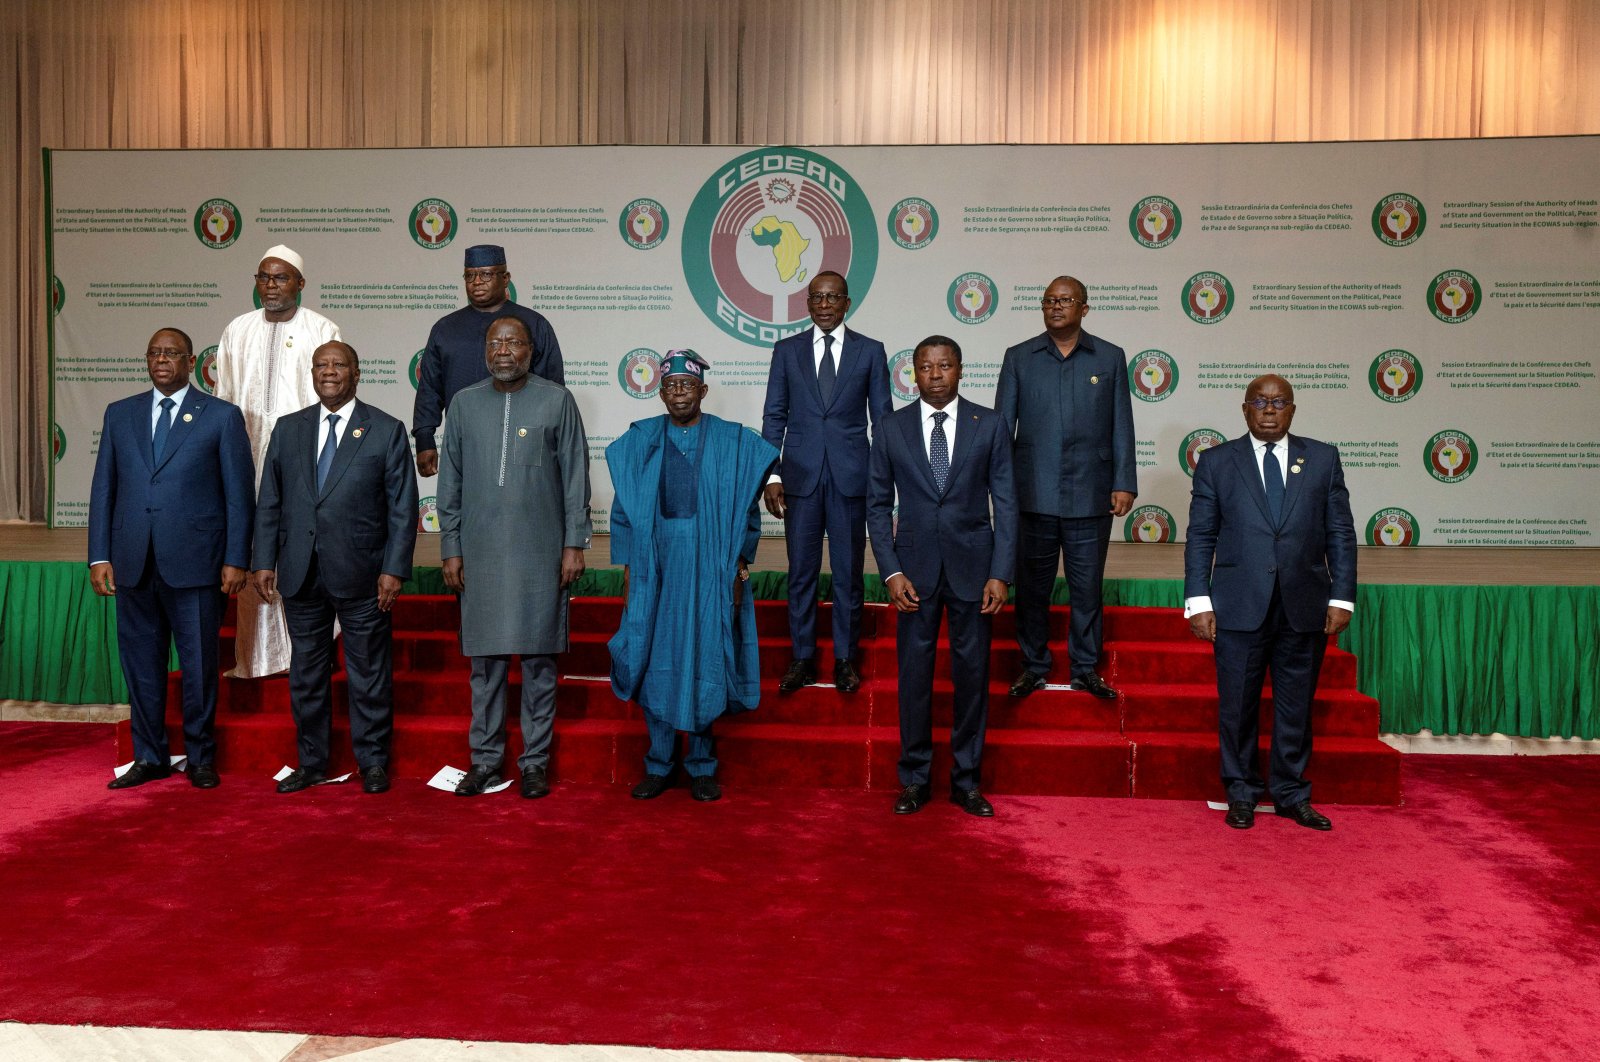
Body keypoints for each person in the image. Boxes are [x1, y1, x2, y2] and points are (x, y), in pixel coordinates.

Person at [1183, 374, 1356, 831]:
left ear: (1292, 410)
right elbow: (1201, 535)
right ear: (1244, 409)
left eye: (1279, 402)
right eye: (1259, 401)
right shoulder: (1217, 462)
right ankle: (1241, 793)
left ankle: (1290, 794)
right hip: (1239, 604)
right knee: (1237, 705)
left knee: (1295, 705)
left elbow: (1340, 532)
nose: (1269, 409)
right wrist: (1198, 600)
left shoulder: (1322, 458)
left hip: (1305, 603)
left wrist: (1342, 596)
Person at [607, 350, 778, 802]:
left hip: (710, 567)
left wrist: (741, 561)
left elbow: (747, 508)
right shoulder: (640, 441)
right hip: (654, 568)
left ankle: (702, 766)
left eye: (687, 386)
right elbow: (624, 512)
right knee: (653, 661)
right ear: (660, 392)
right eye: (670, 387)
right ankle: (659, 764)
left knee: (705, 659)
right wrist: (628, 570)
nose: (678, 393)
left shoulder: (730, 442)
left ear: (703, 391)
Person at [89, 328, 255, 790]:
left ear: (190, 361)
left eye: (172, 354)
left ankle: (201, 756)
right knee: (140, 664)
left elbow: (239, 495)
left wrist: (236, 557)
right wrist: (99, 555)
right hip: (132, 562)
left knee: (200, 665)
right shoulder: (120, 414)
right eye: (154, 353)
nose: (162, 360)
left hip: (197, 563)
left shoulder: (220, 417)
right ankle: (150, 756)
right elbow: (104, 489)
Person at [250, 341, 418, 795]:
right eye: (320, 365)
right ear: (311, 373)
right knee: (306, 674)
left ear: (357, 373)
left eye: (338, 364)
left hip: (365, 575)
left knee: (368, 674)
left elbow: (403, 508)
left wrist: (394, 569)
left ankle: (374, 762)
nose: (329, 372)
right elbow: (270, 501)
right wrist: (264, 560)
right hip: (300, 572)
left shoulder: (385, 429)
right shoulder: (288, 430)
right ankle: (311, 763)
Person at [438, 315, 591, 798]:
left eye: (514, 342)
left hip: (541, 552)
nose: (503, 350)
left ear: (530, 350)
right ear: (486, 350)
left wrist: (573, 545)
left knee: (540, 664)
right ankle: (485, 762)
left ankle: (534, 763)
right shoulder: (463, 405)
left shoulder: (556, 400)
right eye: (495, 342)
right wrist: (450, 547)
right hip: (480, 554)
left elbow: (574, 480)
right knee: (486, 667)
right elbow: (450, 485)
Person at [866, 337, 1016, 818]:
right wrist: (890, 570)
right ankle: (914, 778)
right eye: (926, 367)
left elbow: (1007, 504)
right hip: (912, 574)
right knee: (914, 680)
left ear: (960, 369)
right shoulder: (890, 428)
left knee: (972, 679)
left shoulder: (989, 425)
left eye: (945, 365)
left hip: (976, 572)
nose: (935, 374)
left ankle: (966, 782)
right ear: (913, 373)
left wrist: (1001, 573)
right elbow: (875, 507)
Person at [996, 275, 1136, 701]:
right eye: (1049, 301)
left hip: (1091, 493)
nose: (1056, 307)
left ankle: (1085, 668)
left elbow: (1121, 425)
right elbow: (1002, 429)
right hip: (1031, 493)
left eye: (1066, 300)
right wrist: (1002, 490)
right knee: (1032, 588)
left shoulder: (1109, 358)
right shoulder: (1019, 357)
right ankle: (1033, 665)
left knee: (1087, 588)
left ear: (1084, 308)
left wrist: (1124, 482)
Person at [761, 270, 891, 695]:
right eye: (817, 297)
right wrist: (772, 473)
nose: (824, 304)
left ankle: (845, 658)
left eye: (833, 297)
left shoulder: (870, 351)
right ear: (808, 303)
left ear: (847, 303)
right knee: (800, 572)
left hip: (852, 478)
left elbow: (883, 422)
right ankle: (802, 658)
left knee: (849, 574)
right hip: (798, 477)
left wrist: (882, 478)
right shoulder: (786, 351)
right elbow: (774, 416)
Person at [215, 244, 342, 678]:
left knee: (301, 552)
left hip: (302, 461)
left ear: (300, 284)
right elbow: (224, 400)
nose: (271, 286)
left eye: (281, 277)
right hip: (247, 457)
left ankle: (306, 659)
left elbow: (333, 398)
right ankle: (256, 660)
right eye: (264, 278)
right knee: (257, 550)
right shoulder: (237, 329)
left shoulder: (321, 328)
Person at [412, 244, 563, 478]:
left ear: (505, 278)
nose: (477, 282)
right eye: (470, 275)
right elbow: (430, 388)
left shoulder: (533, 324)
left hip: (523, 439)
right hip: (464, 439)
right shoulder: (445, 328)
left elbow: (552, 389)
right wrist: (424, 438)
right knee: (464, 509)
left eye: (486, 274)